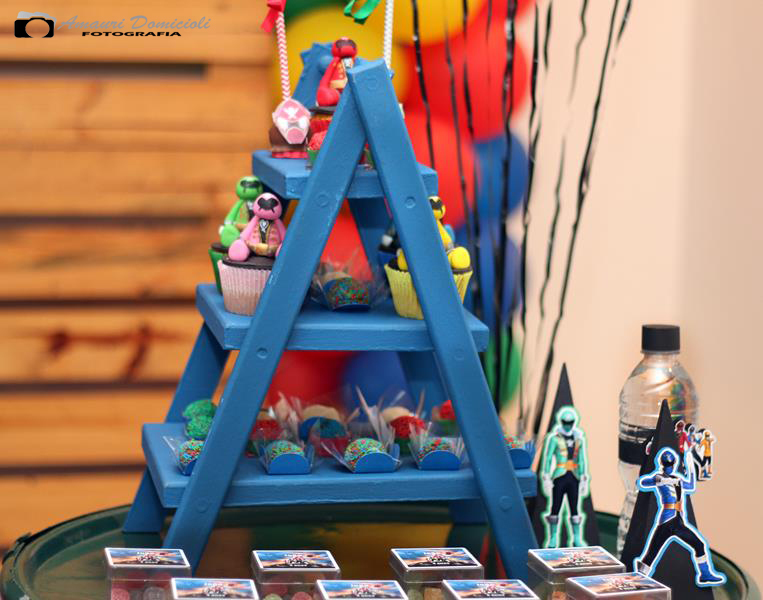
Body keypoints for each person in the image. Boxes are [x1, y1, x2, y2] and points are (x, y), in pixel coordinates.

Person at [634, 447, 725, 586]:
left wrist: (690, 466)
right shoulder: (659, 477)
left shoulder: (677, 479)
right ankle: (638, 580)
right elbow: (642, 482)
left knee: (698, 544)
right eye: (668, 465)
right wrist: (659, 480)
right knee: (651, 553)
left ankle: (705, 574)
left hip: (677, 521)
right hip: (667, 520)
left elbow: (691, 485)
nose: (669, 467)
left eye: (670, 464)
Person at [540, 406, 590, 547]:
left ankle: (576, 537)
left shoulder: (578, 438)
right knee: (556, 506)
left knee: (574, 507)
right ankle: (553, 537)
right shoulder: (554, 438)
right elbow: (548, 458)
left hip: (574, 476)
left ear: (574, 422)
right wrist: (546, 476)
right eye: (565, 422)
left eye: (570, 422)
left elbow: (581, 459)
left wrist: (584, 477)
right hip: (560, 476)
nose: (568, 425)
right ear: (561, 422)